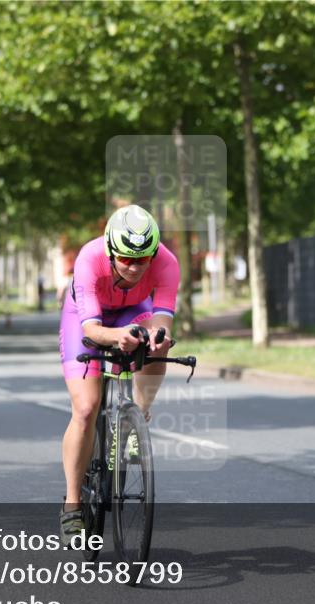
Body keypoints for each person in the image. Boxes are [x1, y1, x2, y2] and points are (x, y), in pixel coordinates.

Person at [57, 204, 178, 544]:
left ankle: (138, 412)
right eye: (126, 259)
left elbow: (163, 316)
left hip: (133, 310)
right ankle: (71, 504)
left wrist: (158, 335)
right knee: (85, 408)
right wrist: (117, 336)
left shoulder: (167, 263)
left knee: (158, 343)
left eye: (143, 260)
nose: (135, 267)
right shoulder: (89, 259)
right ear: (111, 249)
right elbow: (93, 329)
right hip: (85, 317)